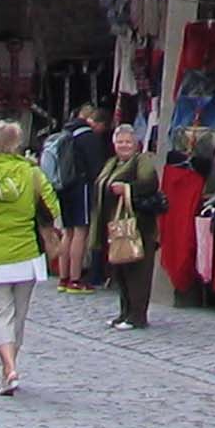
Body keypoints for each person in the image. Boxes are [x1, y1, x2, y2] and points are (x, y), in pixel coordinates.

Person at [0, 121, 61, 397]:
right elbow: (51, 206)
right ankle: (10, 367)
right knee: (19, 315)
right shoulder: (31, 173)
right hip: (26, 252)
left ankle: (9, 366)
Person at [93, 124, 163, 331]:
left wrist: (127, 189)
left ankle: (137, 316)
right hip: (115, 226)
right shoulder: (111, 163)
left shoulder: (143, 161)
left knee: (138, 272)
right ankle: (124, 312)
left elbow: (150, 183)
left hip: (138, 226)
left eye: (128, 142)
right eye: (120, 142)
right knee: (121, 271)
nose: (124, 145)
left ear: (136, 144)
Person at [55, 104, 111, 293]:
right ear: (98, 123)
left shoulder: (67, 131)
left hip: (64, 187)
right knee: (81, 232)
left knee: (67, 232)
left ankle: (63, 278)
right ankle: (76, 279)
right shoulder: (89, 137)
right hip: (82, 186)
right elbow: (96, 168)